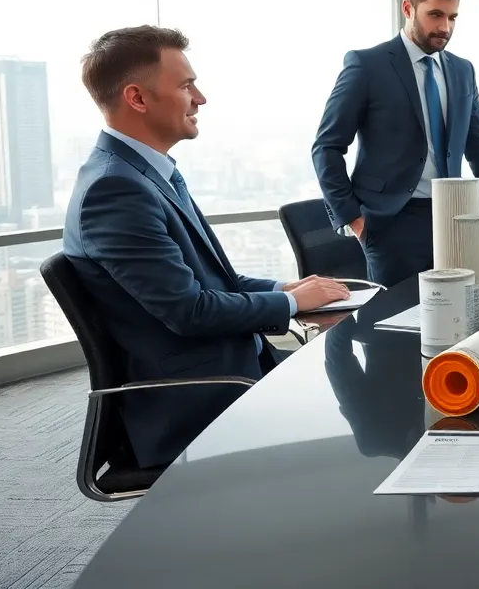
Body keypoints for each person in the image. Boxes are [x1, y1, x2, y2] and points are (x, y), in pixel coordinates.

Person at [63, 25, 350, 469]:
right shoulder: (115, 191)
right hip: (198, 398)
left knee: (352, 400)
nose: (201, 98)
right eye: (185, 85)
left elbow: (216, 280)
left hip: (231, 370)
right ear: (138, 99)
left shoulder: (144, 174)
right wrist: (290, 303)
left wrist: (288, 288)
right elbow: (189, 311)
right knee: (357, 425)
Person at [312, 0, 479, 287]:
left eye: (453, 17)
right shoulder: (366, 66)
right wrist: (356, 221)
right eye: (435, 14)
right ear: (408, 9)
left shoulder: (462, 71)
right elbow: (326, 147)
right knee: (393, 328)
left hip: (457, 218)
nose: (444, 27)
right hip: (390, 224)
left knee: (461, 318)